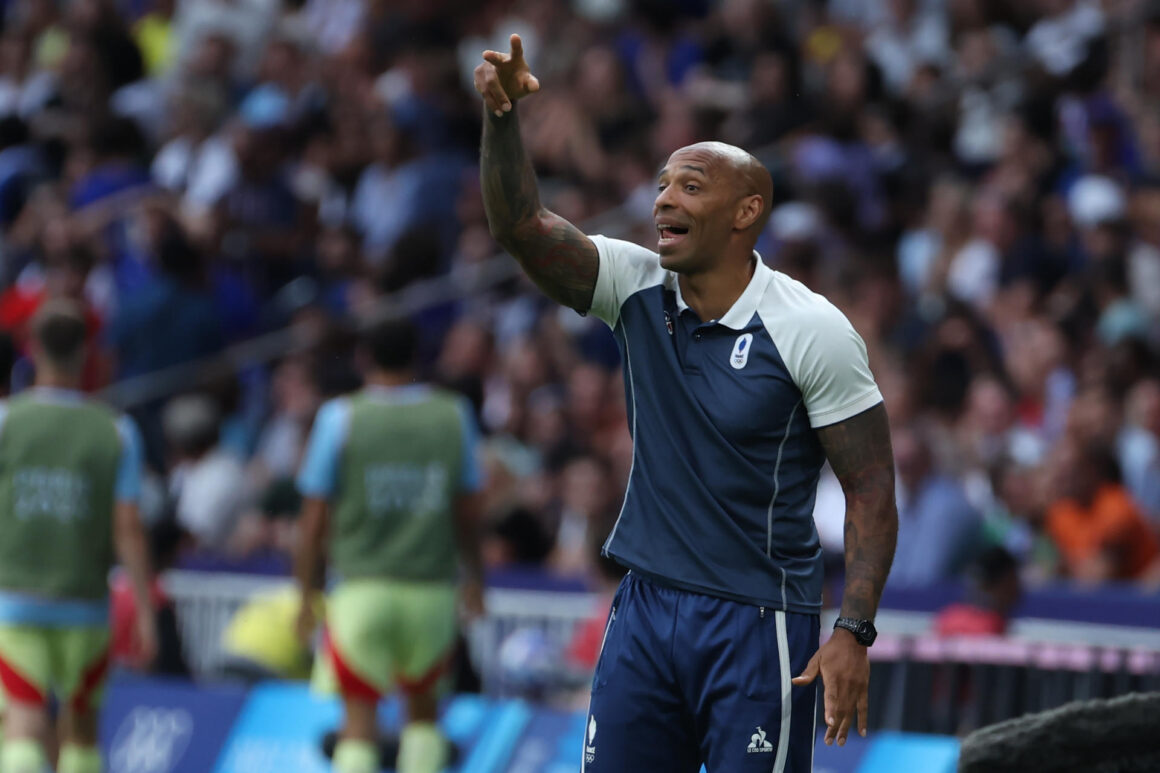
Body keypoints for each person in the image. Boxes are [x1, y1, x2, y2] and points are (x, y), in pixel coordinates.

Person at [475, 34, 899, 771]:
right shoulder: (635, 285)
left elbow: (870, 486)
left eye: (691, 186)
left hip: (758, 620)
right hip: (644, 607)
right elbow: (521, 228)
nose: (664, 198)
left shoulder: (811, 330)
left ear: (747, 212)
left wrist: (853, 629)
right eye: (664, 183)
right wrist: (502, 118)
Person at [294, 317, 485, 773]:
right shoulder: (453, 414)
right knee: (423, 721)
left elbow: (312, 522)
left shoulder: (340, 417)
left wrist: (306, 594)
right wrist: (476, 579)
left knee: (357, 724)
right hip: (431, 591)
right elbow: (468, 512)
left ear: (364, 358)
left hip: (360, 590)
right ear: (417, 357)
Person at [0, 299, 155, 773]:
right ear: (87, 351)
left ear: (31, 348)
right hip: (86, 605)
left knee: (21, 727)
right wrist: (146, 611)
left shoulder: (5, 421)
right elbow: (127, 528)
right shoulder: (117, 430)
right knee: (82, 730)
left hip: (14, 602)